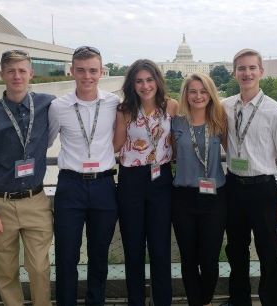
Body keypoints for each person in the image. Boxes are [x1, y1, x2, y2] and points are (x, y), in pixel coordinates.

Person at [0, 50, 54, 305]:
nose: (17, 76)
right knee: (6, 273)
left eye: (21, 70)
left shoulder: (48, 104)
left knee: (40, 268)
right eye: (11, 71)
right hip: (0, 205)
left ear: (31, 73)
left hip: (36, 201)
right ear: (2, 75)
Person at [220, 48, 277, 306]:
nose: (247, 73)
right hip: (233, 185)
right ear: (234, 73)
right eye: (241, 68)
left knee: (268, 252)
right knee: (235, 250)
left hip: (262, 188)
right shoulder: (225, 107)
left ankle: (272, 301)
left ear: (261, 72)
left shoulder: (276, 112)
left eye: (252, 68)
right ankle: (239, 300)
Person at [48, 46, 119, 306]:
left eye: (92, 70)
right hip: (70, 186)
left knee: (99, 255)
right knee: (67, 255)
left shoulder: (114, 103)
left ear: (101, 72)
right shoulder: (58, 107)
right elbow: (45, 140)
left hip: (104, 186)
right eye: (81, 70)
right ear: (72, 71)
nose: (87, 76)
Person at [113, 59, 178, 306]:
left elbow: (177, 142)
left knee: (161, 248)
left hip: (161, 178)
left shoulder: (170, 106)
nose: (145, 85)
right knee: (134, 248)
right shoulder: (125, 110)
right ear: (132, 84)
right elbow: (117, 146)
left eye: (149, 80)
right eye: (139, 81)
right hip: (131, 181)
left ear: (157, 81)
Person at [171, 73, 227, 306]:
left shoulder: (220, 121)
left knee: (210, 258)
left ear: (210, 94)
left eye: (203, 91)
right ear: (186, 94)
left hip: (215, 197)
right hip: (183, 197)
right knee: (188, 258)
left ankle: (205, 300)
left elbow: (238, 150)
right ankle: (195, 301)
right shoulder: (176, 123)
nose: (198, 96)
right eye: (193, 91)